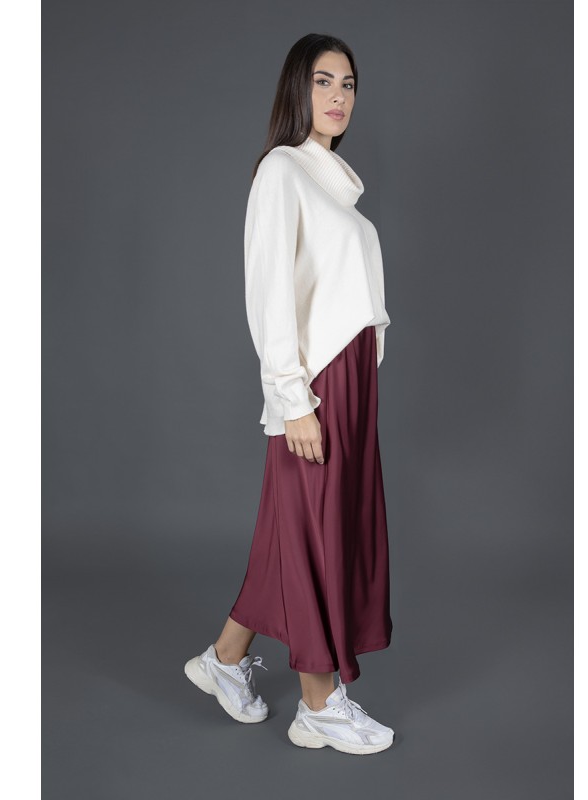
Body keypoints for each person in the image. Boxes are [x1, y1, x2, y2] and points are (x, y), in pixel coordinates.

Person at [184, 33, 395, 755]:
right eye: (323, 80)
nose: (338, 95)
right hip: (317, 383)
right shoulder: (283, 170)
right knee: (312, 535)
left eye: (349, 84)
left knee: (298, 529)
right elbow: (270, 290)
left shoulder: (334, 180)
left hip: (350, 379)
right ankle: (319, 704)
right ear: (297, 89)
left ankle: (223, 660)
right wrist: (292, 397)